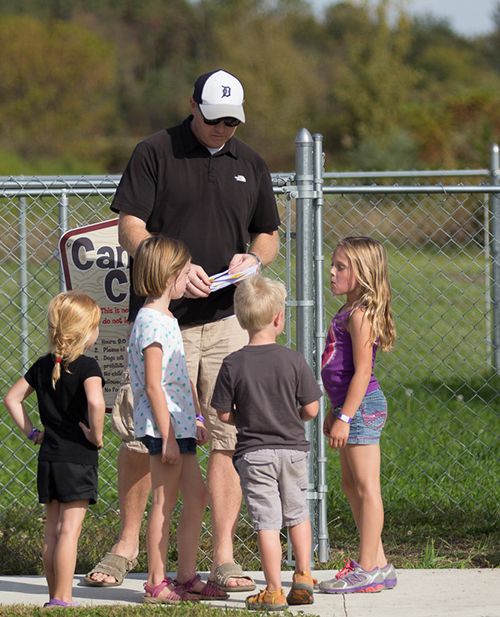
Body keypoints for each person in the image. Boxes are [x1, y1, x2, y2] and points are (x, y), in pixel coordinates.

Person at [85, 68, 280, 592]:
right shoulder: (155, 152)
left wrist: (253, 261)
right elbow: (130, 226)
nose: (222, 130)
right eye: (214, 120)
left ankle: (222, 557)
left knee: (225, 437)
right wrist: (172, 270)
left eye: (232, 122)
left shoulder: (250, 162)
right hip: (162, 321)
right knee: (142, 434)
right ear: (192, 106)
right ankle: (126, 547)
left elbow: (268, 232)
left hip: (226, 324)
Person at [210, 275, 322, 611]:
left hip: (254, 455)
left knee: (267, 522)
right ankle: (303, 575)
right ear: (278, 318)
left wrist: (245, 418)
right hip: (292, 451)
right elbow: (311, 409)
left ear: (242, 320)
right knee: (297, 514)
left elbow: (222, 414)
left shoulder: (232, 364)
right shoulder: (293, 360)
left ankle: (273, 589)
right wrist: (292, 415)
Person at [126, 235, 227, 604]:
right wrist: (168, 436)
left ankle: (186, 575)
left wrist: (197, 416)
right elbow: (154, 386)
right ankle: (156, 581)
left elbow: (179, 376)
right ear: (169, 276)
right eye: (186, 272)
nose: (190, 278)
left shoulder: (168, 318)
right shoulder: (151, 322)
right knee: (163, 504)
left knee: (196, 497)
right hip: (163, 430)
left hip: (181, 427)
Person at [3, 291, 106, 609]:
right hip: (77, 458)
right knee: (69, 532)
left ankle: (53, 596)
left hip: (48, 458)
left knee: (52, 530)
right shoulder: (88, 366)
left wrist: (33, 432)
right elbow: (96, 402)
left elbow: (12, 398)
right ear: (86, 332)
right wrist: (96, 436)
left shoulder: (42, 365)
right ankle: (64, 598)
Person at [317, 236, 399, 594]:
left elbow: (362, 372)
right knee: (351, 486)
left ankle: (366, 568)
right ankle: (379, 563)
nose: (331, 272)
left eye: (340, 267)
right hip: (349, 407)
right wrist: (334, 411)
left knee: (367, 488)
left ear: (363, 274)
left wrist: (346, 416)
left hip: (362, 408)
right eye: (332, 265)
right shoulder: (348, 310)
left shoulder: (361, 315)